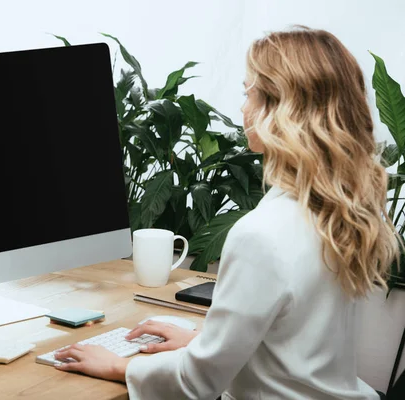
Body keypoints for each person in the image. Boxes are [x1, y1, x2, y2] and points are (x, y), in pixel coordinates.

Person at [53, 26, 400, 399]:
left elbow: (197, 384)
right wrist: (201, 341)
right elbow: (293, 339)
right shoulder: (340, 211)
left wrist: (119, 365)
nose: (242, 107)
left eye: (247, 93)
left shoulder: (262, 235)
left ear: (282, 110)